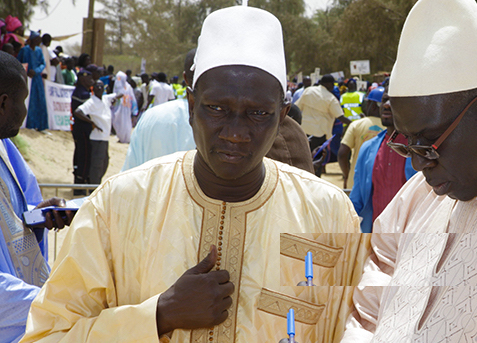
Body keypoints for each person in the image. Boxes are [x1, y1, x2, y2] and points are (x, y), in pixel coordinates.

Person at [21, 6, 360, 342]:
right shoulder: (118, 205)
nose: (236, 133)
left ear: (282, 115)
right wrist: (158, 315)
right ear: (192, 106)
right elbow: (48, 335)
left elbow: (356, 328)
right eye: (217, 109)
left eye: (258, 113)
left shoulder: (328, 215)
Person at [340, 0, 477, 341]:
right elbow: (373, 296)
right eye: (406, 142)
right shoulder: (418, 196)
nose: (417, 163)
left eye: (429, 141)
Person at [0, 51, 72, 343]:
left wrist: (35, 217)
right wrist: (57, 303)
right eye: (23, 100)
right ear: (4, 102)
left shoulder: (6, 149)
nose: (25, 111)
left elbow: (12, 218)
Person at [349, 88, 416, 233]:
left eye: (393, 100)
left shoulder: (419, 149)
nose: (386, 104)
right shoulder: (368, 149)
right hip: (375, 236)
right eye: (384, 99)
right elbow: (357, 198)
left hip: (411, 234)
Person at [74, 80, 122, 185]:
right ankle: (93, 188)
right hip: (97, 138)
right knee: (97, 165)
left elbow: (119, 95)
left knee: (105, 163)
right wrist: (91, 122)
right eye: (97, 86)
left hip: (105, 138)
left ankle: (96, 184)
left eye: (101, 86)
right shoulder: (91, 102)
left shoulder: (105, 99)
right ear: (93, 88)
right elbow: (78, 112)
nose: (99, 88)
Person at [338, 87, 386, 189]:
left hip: (356, 183)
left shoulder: (356, 125)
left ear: (372, 106)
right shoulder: (393, 128)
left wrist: (347, 175)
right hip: (382, 184)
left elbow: (342, 154)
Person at [17, 30, 48, 131]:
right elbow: (18, 62)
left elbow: (43, 64)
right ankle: (29, 124)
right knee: (29, 100)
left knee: (39, 101)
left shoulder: (39, 51)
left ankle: (40, 125)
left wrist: (36, 71)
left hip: (37, 78)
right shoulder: (24, 50)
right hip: (27, 78)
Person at [71, 69, 94, 194]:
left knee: (80, 156)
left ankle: (79, 182)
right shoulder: (82, 93)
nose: (91, 81)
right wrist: (91, 122)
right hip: (83, 129)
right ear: (82, 79)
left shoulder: (83, 91)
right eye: (89, 78)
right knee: (84, 157)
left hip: (80, 129)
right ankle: (80, 185)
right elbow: (79, 112)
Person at [111, 71, 138, 143]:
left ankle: (125, 138)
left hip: (125, 108)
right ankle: (121, 137)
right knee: (117, 122)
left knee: (125, 122)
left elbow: (132, 99)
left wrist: (134, 110)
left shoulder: (128, 87)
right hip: (118, 108)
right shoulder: (118, 85)